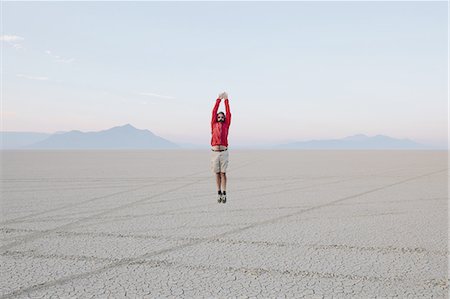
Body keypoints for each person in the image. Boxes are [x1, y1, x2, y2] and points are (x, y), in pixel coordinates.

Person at [211, 91, 231, 203]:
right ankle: (218, 192)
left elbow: (229, 113)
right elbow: (214, 112)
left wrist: (226, 100)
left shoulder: (226, 125)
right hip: (214, 152)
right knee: (217, 173)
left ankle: (224, 192)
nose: (220, 117)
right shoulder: (213, 124)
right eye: (219, 116)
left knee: (223, 173)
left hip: (224, 152)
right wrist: (218, 99)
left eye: (222, 116)